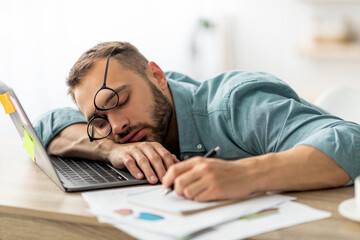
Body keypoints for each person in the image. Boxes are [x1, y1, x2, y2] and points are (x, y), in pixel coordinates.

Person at [34, 41, 360, 202]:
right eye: (99, 119)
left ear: (158, 77)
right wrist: (109, 150)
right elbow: (46, 125)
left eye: (118, 100)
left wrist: (245, 174)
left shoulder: (234, 104)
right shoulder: (117, 131)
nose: (117, 125)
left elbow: (350, 141)